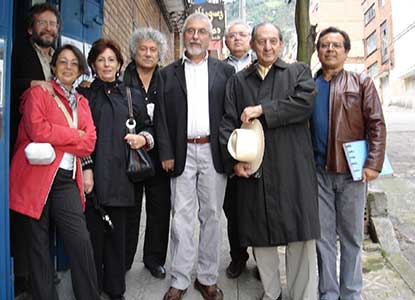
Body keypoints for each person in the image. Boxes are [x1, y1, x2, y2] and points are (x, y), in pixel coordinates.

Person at [220, 22, 320, 300]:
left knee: (300, 233)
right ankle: (271, 291)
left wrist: (263, 109)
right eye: (261, 41)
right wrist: (233, 162)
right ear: (252, 45)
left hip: (293, 166)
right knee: (260, 235)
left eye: (273, 41)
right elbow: (228, 122)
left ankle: (303, 294)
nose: (267, 47)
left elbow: (304, 104)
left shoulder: (297, 71)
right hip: (256, 166)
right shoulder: (239, 81)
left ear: (281, 44)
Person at [9, 44, 100, 300]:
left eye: (74, 63)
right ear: (53, 67)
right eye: (63, 62)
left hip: (65, 181)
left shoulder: (82, 102)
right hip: (35, 178)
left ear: (80, 70)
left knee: (80, 241)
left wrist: (62, 136)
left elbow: (90, 141)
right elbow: (37, 131)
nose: (68, 67)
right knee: (38, 248)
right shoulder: (38, 94)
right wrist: (74, 135)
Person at [155, 13, 235, 300]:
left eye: (202, 31)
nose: (196, 36)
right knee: (182, 218)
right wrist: (165, 152)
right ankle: (179, 278)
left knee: (212, 216)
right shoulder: (167, 73)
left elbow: (231, 114)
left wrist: (231, 152)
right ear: (184, 35)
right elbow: (161, 118)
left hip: (213, 152)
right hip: (181, 151)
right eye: (191, 31)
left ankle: (207, 277)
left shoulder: (225, 72)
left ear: (210, 36)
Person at [312, 27, 386, 300]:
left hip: (353, 173)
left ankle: (351, 293)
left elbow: (376, 124)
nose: (330, 49)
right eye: (324, 45)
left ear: (346, 51)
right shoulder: (310, 84)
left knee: (352, 237)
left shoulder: (361, 82)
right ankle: (329, 293)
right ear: (318, 51)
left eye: (336, 45)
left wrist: (373, 164)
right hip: (318, 173)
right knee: (323, 238)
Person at [79, 38, 154, 300]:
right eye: (101, 60)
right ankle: (93, 288)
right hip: (93, 175)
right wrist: (86, 167)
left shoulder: (132, 95)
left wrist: (143, 138)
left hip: (123, 176)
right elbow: (78, 134)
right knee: (92, 237)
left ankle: (115, 289)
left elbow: (149, 127)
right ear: (92, 64)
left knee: (118, 236)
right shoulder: (85, 95)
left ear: (120, 63)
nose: (107, 64)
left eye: (111, 59)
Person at [10, 4, 61, 294]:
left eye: (53, 24)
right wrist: (35, 84)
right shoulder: (19, 51)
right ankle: (23, 275)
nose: (49, 28)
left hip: (51, 146)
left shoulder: (58, 58)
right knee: (24, 212)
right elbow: (6, 83)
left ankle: (41, 270)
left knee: (44, 210)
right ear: (31, 28)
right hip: (23, 143)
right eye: (43, 23)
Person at [123, 27, 170, 279]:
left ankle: (154, 259)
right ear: (134, 51)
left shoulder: (167, 78)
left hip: (158, 151)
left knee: (159, 209)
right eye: (143, 49)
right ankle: (125, 259)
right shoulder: (123, 78)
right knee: (130, 208)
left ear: (159, 53)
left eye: (153, 49)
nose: (148, 53)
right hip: (130, 151)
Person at [222, 19, 254, 279]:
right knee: (232, 207)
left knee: (260, 206)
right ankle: (238, 256)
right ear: (225, 41)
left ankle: (262, 261)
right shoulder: (219, 70)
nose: (237, 39)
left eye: (242, 34)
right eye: (232, 35)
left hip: (259, 142)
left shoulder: (261, 66)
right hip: (230, 142)